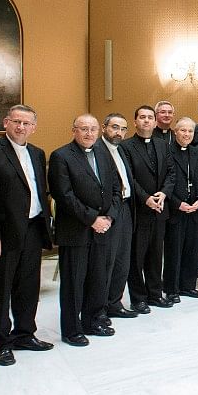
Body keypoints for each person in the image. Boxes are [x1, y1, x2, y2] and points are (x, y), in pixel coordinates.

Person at [0, 105, 54, 368]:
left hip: (33, 228)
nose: (21, 127)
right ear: (6, 123)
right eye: (16, 122)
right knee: (1, 290)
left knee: (28, 287)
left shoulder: (36, 153)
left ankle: (25, 334)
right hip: (4, 234)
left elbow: (39, 191)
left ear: (34, 127)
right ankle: (1, 343)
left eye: (27, 123)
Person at [49, 114, 122, 348]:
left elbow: (114, 188)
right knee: (74, 283)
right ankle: (71, 330)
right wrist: (93, 219)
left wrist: (109, 216)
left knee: (98, 278)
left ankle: (93, 320)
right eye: (83, 129)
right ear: (74, 131)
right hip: (76, 230)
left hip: (103, 228)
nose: (89, 133)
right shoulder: (61, 156)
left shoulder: (103, 153)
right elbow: (64, 195)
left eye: (92, 129)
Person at [120, 106, 175, 310]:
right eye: (142, 117)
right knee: (137, 257)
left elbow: (171, 173)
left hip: (160, 208)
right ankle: (138, 298)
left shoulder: (163, 145)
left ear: (154, 122)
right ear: (135, 121)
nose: (146, 121)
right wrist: (146, 198)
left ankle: (155, 293)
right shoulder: (126, 147)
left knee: (155, 253)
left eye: (149, 118)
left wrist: (164, 193)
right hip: (139, 210)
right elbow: (128, 177)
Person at [99, 113, 138, 322]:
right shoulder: (97, 150)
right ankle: (100, 307)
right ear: (104, 127)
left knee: (122, 260)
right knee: (107, 262)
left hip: (125, 209)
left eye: (123, 129)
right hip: (108, 212)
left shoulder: (121, 149)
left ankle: (115, 302)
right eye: (115, 127)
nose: (119, 132)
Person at [163, 118, 198, 302]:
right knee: (174, 251)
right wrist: (176, 203)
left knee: (192, 250)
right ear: (176, 132)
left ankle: (188, 286)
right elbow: (164, 182)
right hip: (176, 210)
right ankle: (172, 289)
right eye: (183, 131)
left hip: (195, 209)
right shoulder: (167, 153)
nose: (187, 134)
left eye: (190, 131)